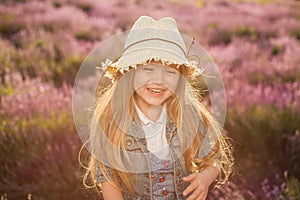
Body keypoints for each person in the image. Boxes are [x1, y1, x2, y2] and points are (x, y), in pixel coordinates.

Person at [80, 16, 233, 200]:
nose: (159, 80)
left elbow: (214, 158)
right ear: (130, 72)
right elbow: (109, 179)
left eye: (170, 72)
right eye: (148, 69)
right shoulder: (111, 122)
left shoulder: (188, 114)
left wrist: (206, 177)